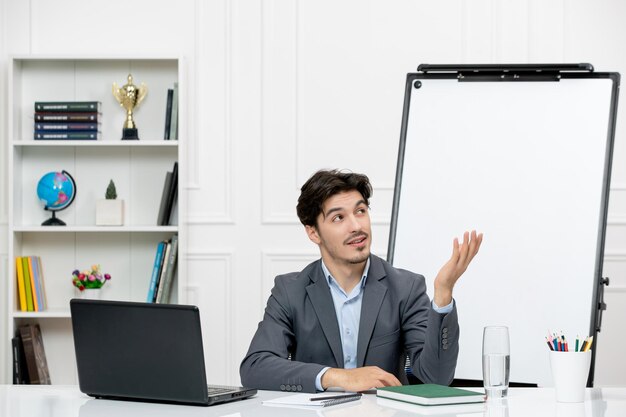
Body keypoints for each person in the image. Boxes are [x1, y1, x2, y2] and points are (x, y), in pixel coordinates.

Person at [240, 169, 482, 393]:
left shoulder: (405, 288)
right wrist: (338, 377)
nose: (356, 226)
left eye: (360, 211)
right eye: (338, 218)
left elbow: (436, 379)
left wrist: (443, 293)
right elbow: (255, 368)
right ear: (313, 232)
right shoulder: (290, 291)